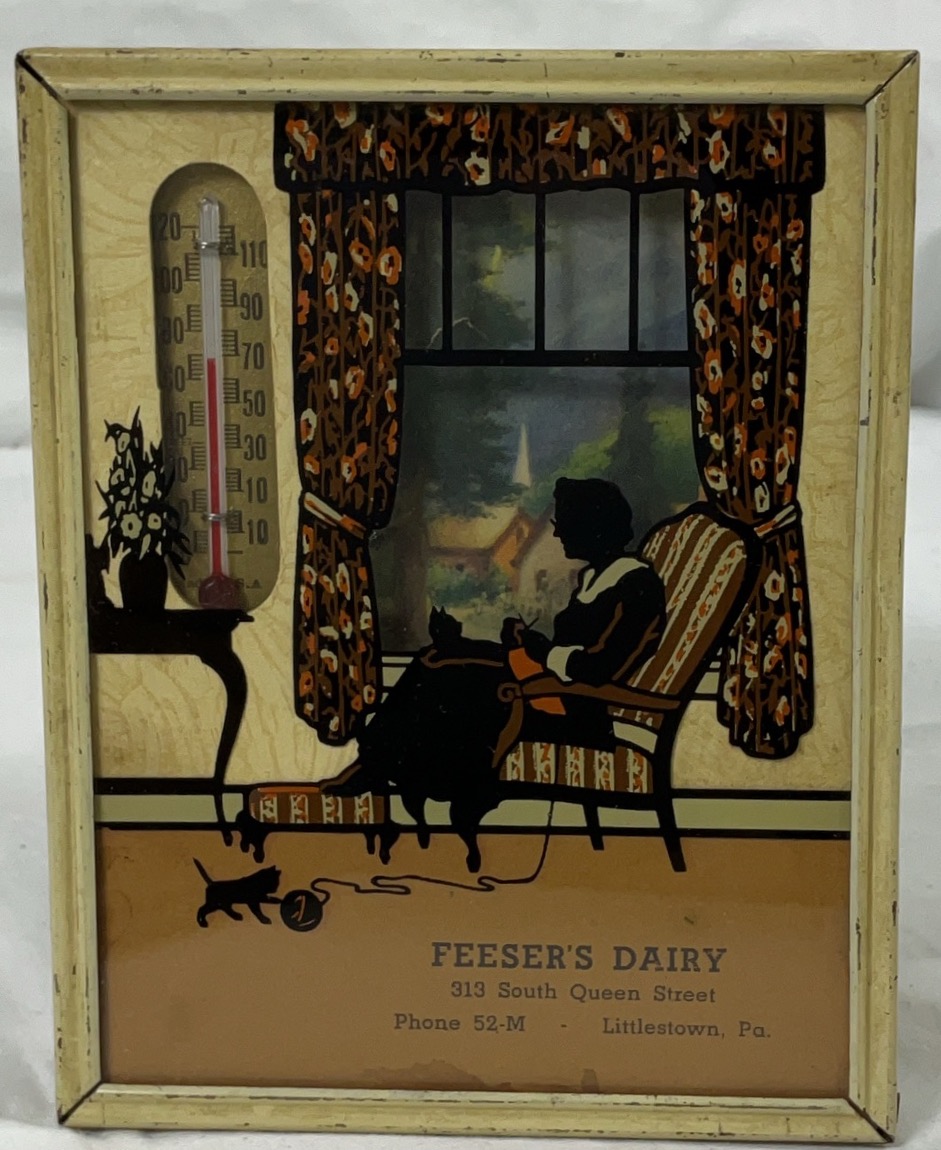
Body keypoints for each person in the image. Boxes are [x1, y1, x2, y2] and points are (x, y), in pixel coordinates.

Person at [325, 477, 667, 871]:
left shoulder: (636, 586)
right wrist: (529, 642)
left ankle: (380, 765)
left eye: (565, 522)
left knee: (451, 674)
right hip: (554, 690)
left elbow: (598, 669)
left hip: (579, 713)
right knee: (437, 656)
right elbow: (572, 653)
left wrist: (540, 650)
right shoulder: (593, 579)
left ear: (593, 525)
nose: (557, 532)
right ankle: (377, 762)